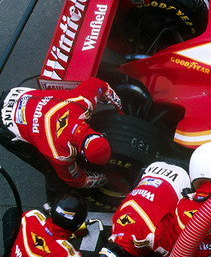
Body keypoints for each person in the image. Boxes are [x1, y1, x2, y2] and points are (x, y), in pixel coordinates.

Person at [0, 77, 122, 205]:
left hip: (17, 96)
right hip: (7, 124)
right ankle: (52, 204)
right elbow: (77, 180)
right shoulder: (60, 154)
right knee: (53, 172)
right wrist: (105, 178)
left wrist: (120, 110)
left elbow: (100, 84)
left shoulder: (83, 102)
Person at [96, 161, 191, 257]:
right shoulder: (116, 227)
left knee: (185, 240)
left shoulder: (154, 235)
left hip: (182, 176)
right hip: (153, 168)